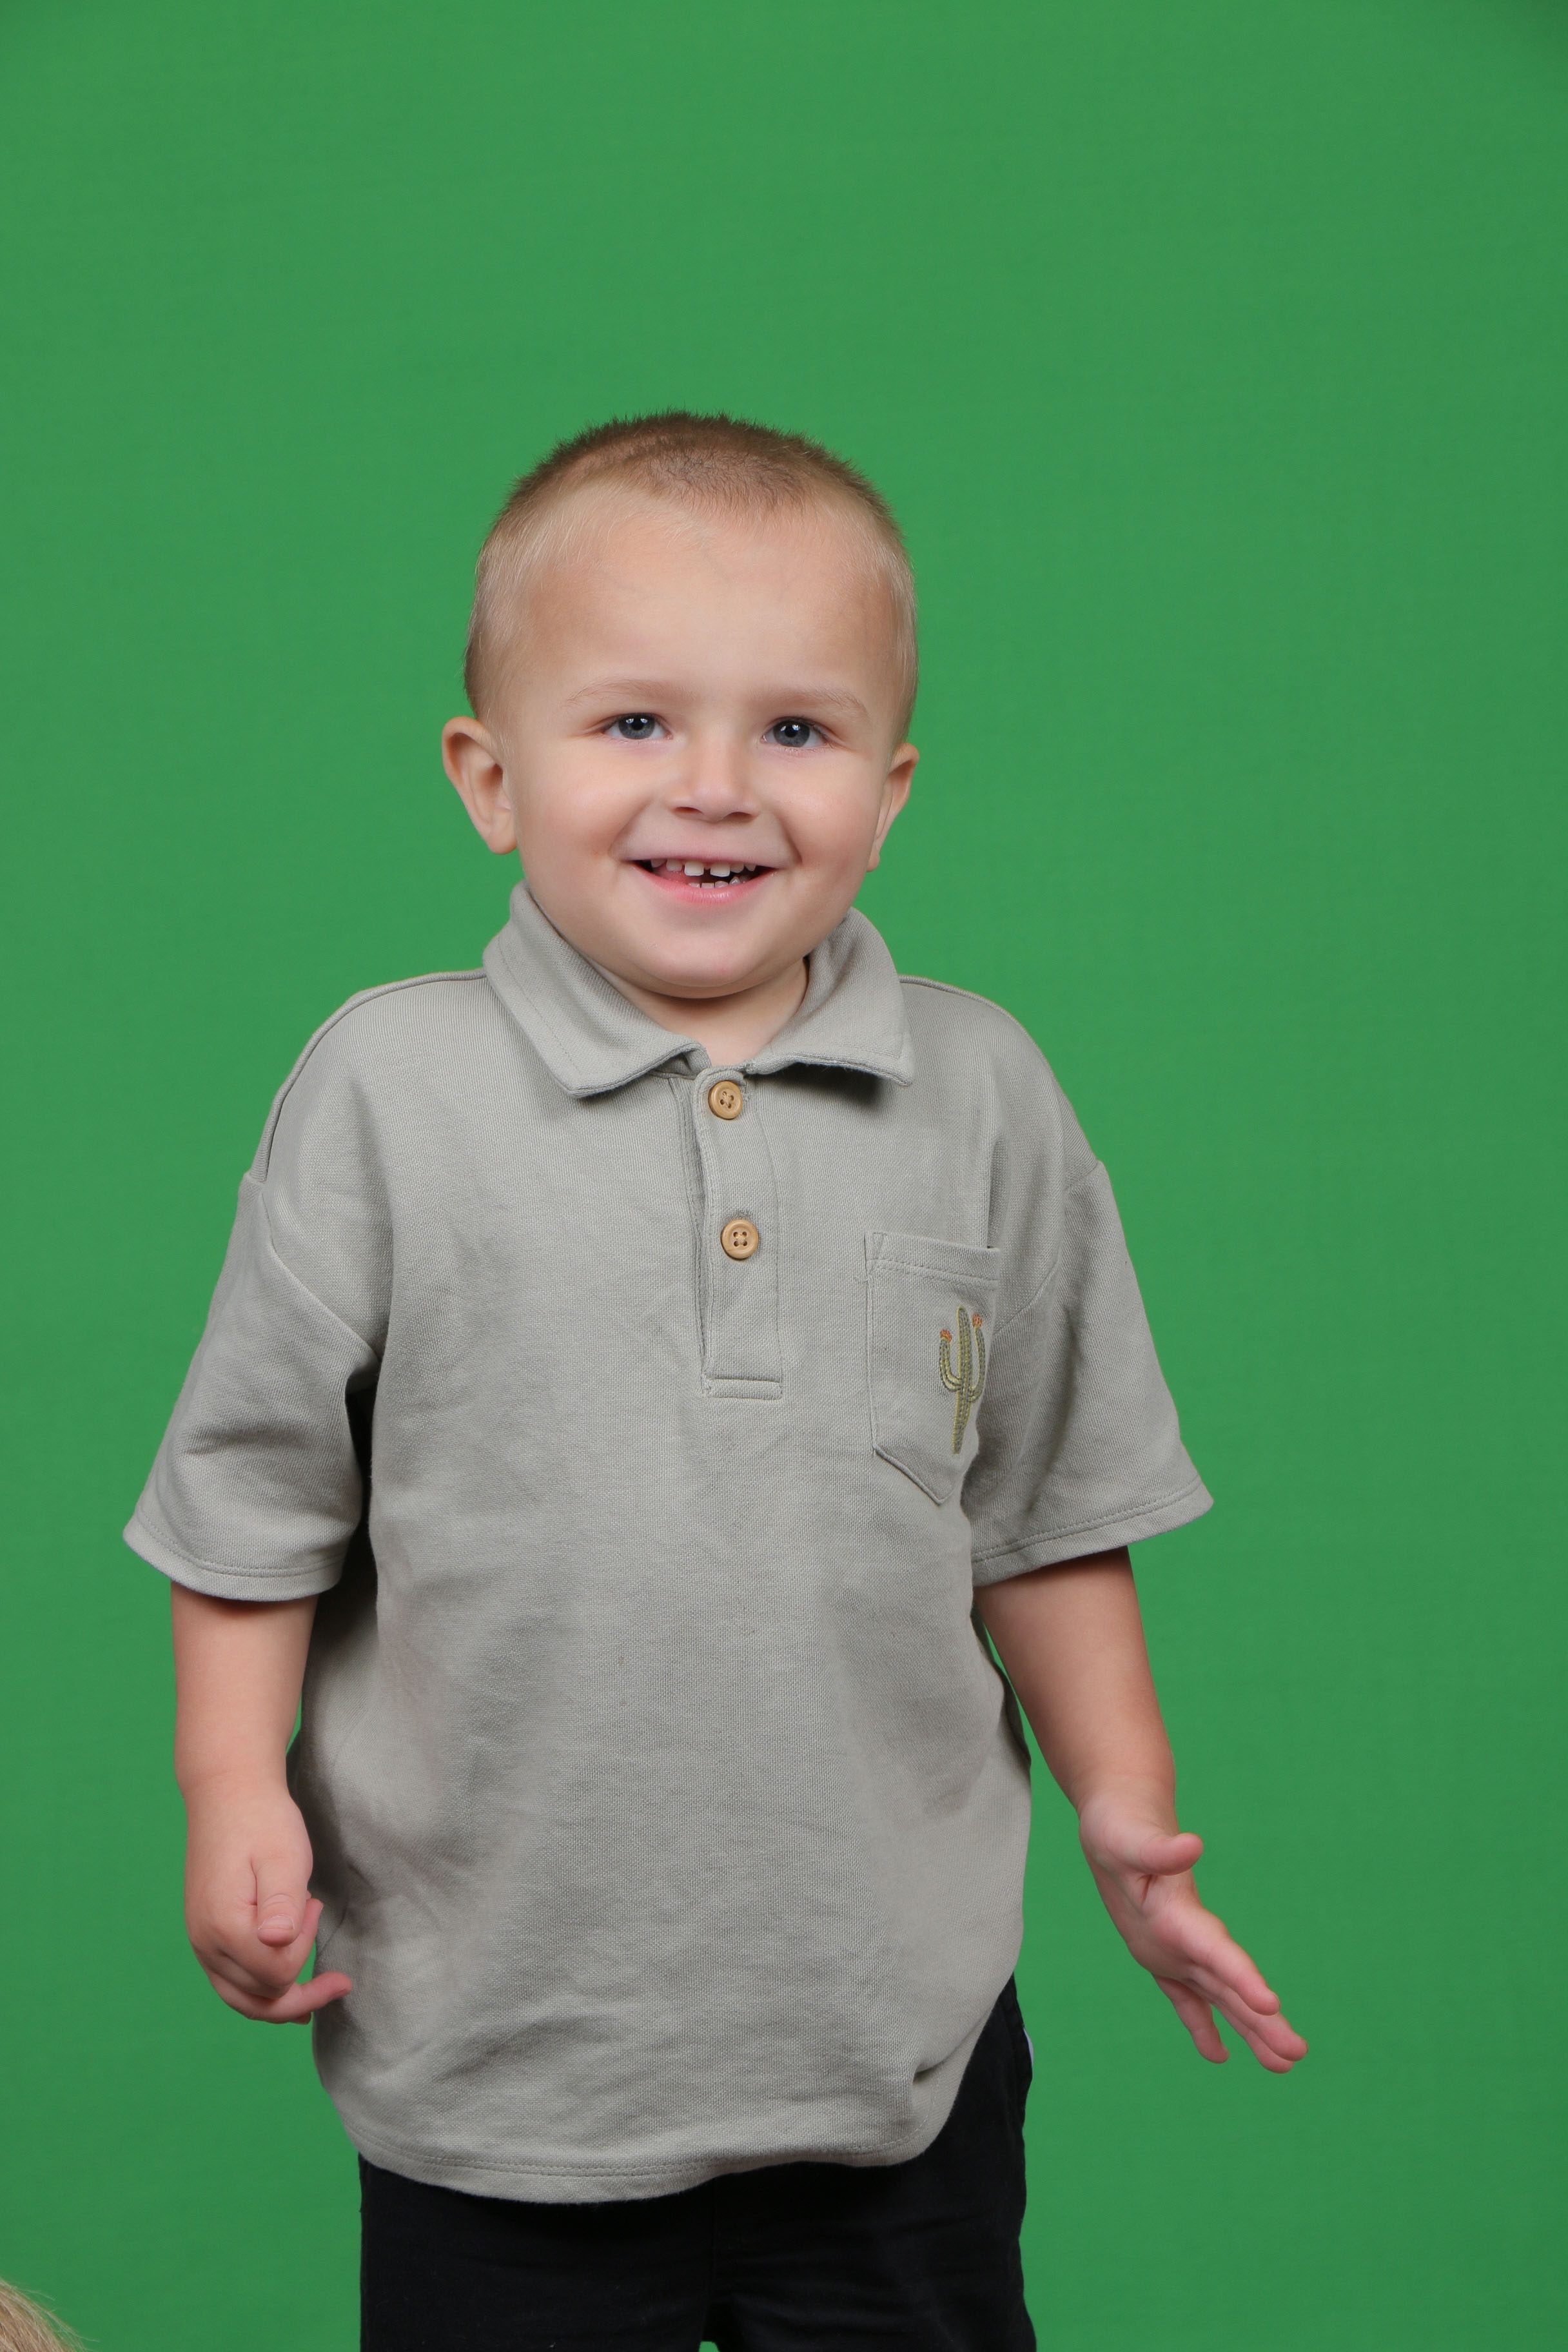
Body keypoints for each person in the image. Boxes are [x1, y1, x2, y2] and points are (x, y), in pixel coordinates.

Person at [128, 411, 1306, 2349]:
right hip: (499, 2056)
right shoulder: (388, 1093)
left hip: (891, 2050)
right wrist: (226, 1781)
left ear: (890, 789)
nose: (719, 787)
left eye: (798, 730)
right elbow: (253, 1505)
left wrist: (1125, 1802)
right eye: (633, 722)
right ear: (488, 776)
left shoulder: (983, 1091)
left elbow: (1044, 1513)